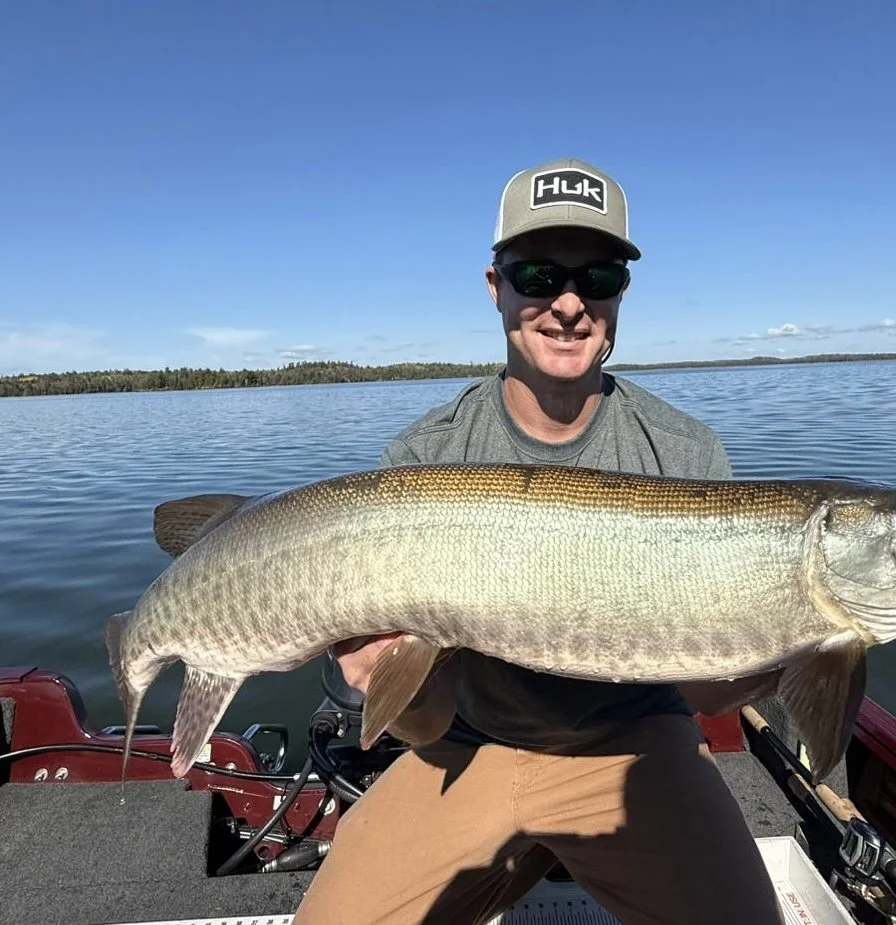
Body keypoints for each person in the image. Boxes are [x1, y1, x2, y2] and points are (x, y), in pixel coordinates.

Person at [293, 158, 787, 925]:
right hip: (471, 742)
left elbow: (710, 693)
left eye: (597, 277)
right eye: (536, 274)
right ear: (495, 287)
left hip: (633, 742)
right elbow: (423, 721)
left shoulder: (685, 454)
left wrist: (799, 631)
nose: (567, 303)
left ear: (621, 293)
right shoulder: (424, 458)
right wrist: (386, 674)